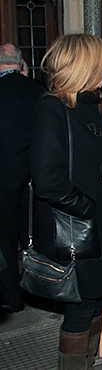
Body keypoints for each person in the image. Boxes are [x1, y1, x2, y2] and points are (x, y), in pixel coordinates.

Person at [29, 34, 102, 369]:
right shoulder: (52, 109)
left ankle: (87, 363)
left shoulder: (91, 108)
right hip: (78, 230)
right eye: (101, 64)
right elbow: (48, 180)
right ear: (83, 67)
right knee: (82, 307)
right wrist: (89, 209)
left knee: (96, 302)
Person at [0, 43, 46, 314]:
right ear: (21, 64)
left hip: (3, 172)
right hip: (35, 171)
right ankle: (41, 290)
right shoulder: (37, 89)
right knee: (32, 232)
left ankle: (11, 296)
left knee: (3, 236)